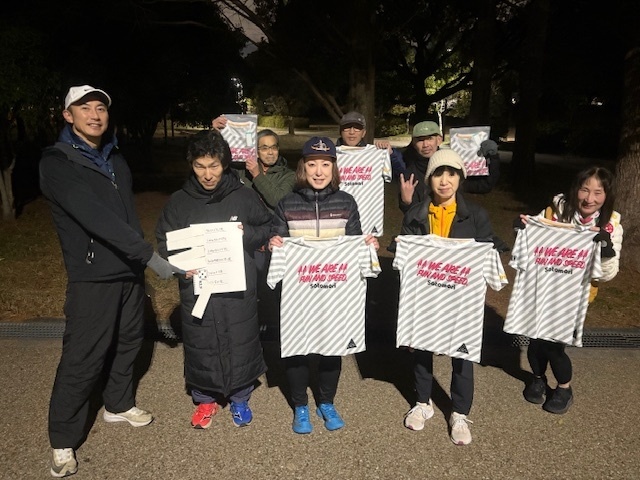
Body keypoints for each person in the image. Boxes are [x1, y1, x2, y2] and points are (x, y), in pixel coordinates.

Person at [39, 85, 179, 478]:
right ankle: (63, 439)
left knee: (129, 342)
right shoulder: (58, 162)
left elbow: (126, 217)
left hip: (128, 273)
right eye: (84, 108)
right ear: (68, 115)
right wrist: (151, 258)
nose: (95, 115)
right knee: (83, 357)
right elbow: (95, 218)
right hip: (93, 277)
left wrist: (139, 259)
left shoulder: (115, 157)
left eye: (100, 107)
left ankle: (117, 405)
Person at [156, 129, 272, 430]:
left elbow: (267, 228)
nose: (207, 174)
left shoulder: (244, 196)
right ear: (191, 165)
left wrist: (247, 233)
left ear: (225, 164)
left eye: (214, 166)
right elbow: (165, 242)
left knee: (240, 339)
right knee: (202, 341)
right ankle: (205, 398)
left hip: (237, 288)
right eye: (200, 166)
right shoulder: (178, 202)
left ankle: (240, 397)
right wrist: (181, 265)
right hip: (198, 289)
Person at [268, 136, 379, 434]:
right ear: (302, 167)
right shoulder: (287, 203)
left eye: (326, 164)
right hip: (299, 294)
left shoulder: (346, 202)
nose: (319, 171)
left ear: (334, 168)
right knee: (296, 348)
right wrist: (273, 243)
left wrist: (367, 245)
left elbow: (354, 241)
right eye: (312, 164)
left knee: (333, 347)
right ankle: (300, 405)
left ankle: (326, 402)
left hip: (335, 293)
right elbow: (275, 239)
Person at [394, 148, 498, 446]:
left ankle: (460, 413)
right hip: (425, 294)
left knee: (462, 354)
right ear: (429, 179)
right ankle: (423, 402)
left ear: (460, 178)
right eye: (438, 174)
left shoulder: (476, 215)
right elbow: (404, 259)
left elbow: (488, 252)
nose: (444, 180)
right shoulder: (416, 213)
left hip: (460, 298)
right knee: (421, 348)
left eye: (451, 173)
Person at [515, 166, 622, 414]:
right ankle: (538, 378)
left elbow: (607, 275)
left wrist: (606, 252)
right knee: (535, 339)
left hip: (575, 295)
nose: (589, 198)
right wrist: (521, 229)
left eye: (598, 192)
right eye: (585, 190)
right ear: (575, 190)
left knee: (555, 345)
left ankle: (564, 388)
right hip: (542, 287)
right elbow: (532, 245)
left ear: (607, 196)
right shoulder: (554, 212)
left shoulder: (611, 225)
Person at [399, 121, 500, 213]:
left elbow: (484, 185)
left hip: (454, 223)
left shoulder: (453, 165)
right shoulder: (409, 172)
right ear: (413, 143)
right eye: (420, 140)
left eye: (430, 138)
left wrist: (493, 157)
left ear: (439, 140)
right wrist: (406, 203)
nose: (425, 144)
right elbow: (411, 217)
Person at [336, 111, 406, 179]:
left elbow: (402, 174)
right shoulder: (332, 155)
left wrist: (391, 154)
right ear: (340, 132)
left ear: (363, 133)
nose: (352, 132)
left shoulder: (376, 154)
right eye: (347, 127)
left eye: (357, 128)